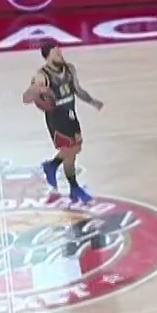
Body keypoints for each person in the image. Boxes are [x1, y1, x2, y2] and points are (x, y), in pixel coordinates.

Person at [22, 43, 103, 204]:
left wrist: (92, 101)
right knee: (69, 153)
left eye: (60, 51)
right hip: (56, 118)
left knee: (76, 148)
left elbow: (78, 90)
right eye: (56, 53)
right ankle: (74, 188)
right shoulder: (42, 76)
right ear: (47, 56)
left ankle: (51, 166)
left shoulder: (69, 69)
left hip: (71, 114)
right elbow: (26, 98)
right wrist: (37, 92)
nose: (60, 54)